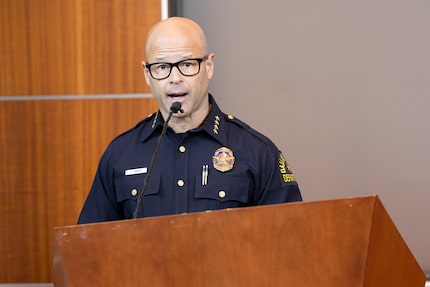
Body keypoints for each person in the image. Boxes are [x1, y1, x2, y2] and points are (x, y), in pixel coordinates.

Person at [78, 17, 302, 224]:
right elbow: (90, 250)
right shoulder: (121, 154)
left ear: (209, 66)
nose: (175, 78)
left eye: (187, 64)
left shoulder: (256, 152)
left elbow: (289, 241)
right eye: (162, 67)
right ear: (147, 74)